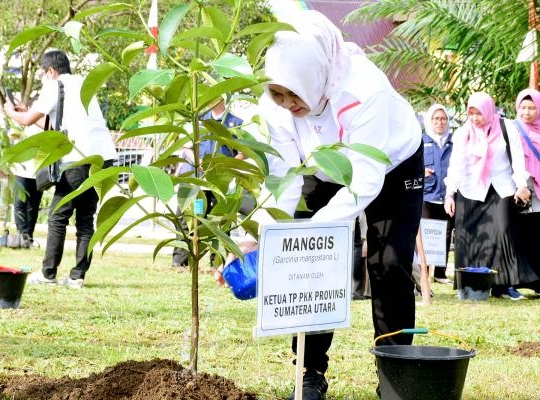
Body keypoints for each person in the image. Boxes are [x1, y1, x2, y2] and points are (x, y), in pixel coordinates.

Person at [244, 10, 423, 400]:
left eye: (295, 94)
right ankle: (309, 372)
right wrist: (256, 234)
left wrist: (320, 226)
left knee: (389, 263)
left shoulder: (365, 91)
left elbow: (365, 177)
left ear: (317, 77)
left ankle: (395, 371)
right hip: (320, 165)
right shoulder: (273, 105)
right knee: (312, 263)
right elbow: (286, 177)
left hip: (390, 164)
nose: (287, 103)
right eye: (278, 93)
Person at [4, 50, 117, 288]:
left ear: (51, 71)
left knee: (58, 214)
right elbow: (56, 126)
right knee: (86, 218)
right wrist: (27, 111)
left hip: (78, 158)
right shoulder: (84, 85)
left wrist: (10, 111)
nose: (44, 78)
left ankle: (48, 273)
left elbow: (25, 122)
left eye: (44, 74)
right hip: (103, 157)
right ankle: (77, 276)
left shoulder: (55, 85)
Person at [444, 91, 537, 300]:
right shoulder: (463, 134)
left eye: (479, 113)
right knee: (470, 238)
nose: (475, 118)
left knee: (502, 234)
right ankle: (470, 286)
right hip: (470, 190)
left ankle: (504, 286)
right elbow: (456, 166)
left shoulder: (507, 128)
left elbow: (517, 159)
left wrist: (521, 184)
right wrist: (449, 194)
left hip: (501, 188)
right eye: (471, 113)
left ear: (488, 110)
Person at [171, 98, 244, 267]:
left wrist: (226, 165)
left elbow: (243, 152)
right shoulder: (198, 120)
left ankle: (217, 261)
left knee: (219, 219)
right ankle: (180, 260)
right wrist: (200, 163)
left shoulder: (235, 123)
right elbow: (186, 147)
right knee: (189, 216)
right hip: (195, 179)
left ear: (222, 99)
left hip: (220, 181)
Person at [422, 104, 455, 284]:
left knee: (446, 234)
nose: (440, 122)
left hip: (447, 196)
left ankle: (440, 273)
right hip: (428, 195)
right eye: (436, 119)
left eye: (443, 119)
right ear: (429, 121)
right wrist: (421, 171)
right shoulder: (422, 141)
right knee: (427, 235)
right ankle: (424, 272)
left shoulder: (453, 142)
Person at [513, 88, 540, 292]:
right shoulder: (512, 129)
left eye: (532, 107)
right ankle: (525, 279)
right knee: (522, 232)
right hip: (520, 187)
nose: (527, 112)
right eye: (523, 107)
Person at [10, 124, 44, 245]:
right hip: (21, 171)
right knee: (19, 203)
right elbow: (12, 137)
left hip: (39, 171)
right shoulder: (22, 123)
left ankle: (28, 236)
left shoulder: (46, 123)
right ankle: (22, 236)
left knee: (33, 206)